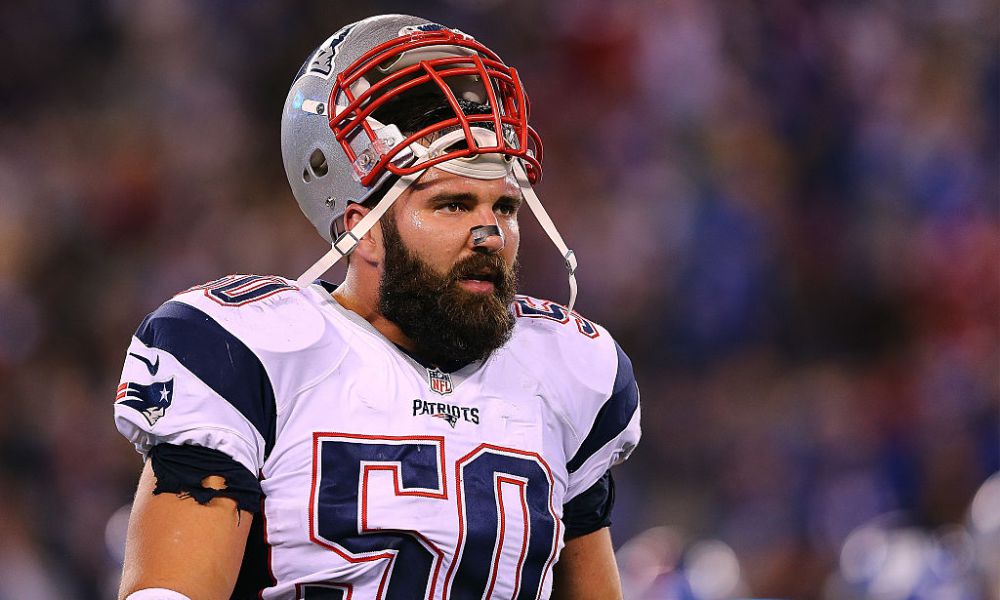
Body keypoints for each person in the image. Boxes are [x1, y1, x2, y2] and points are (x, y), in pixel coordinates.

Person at [113, 14, 640, 600]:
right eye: (452, 204)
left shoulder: (568, 367)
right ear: (361, 230)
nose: (489, 234)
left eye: (505, 207)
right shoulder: (252, 354)